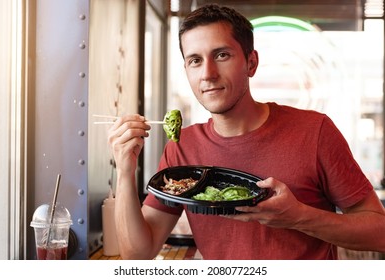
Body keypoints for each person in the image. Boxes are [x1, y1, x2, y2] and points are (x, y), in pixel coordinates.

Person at [108, 4, 385, 259]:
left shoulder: (315, 131)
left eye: (222, 55)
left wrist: (298, 216)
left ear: (251, 63)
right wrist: (124, 171)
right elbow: (137, 255)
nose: (208, 73)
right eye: (195, 60)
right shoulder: (182, 147)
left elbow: (379, 232)